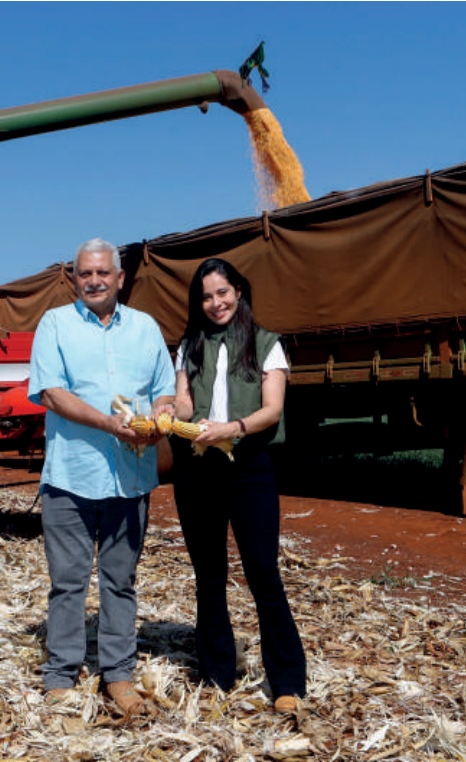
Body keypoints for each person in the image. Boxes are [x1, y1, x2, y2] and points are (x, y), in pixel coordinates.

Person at [27, 238, 175, 715]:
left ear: (119, 278)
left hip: (128, 478)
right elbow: (51, 393)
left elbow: (164, 391)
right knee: (67, 582)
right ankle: (61, 675)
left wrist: (160, 419)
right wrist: (109, 423)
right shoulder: (55, 324)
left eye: (101, 274)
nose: (93, 281)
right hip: (71, 474)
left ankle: (119, 675)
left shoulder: (146, 329)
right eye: (84, 274)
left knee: (120, 581)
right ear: (75, 278)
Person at [170, 256, 307, 713]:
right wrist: (171, 415)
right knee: (209, 576)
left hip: (250, 467)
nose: (215, 303)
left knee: (262, 573)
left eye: (222, 293)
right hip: (199, 468)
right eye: (206, 296)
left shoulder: (267, 344)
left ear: (239, 292)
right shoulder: (189, 346)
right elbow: (185, 405)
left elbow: (272, 409)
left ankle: (287, 682)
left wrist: (232, 428)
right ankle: (216, 675)